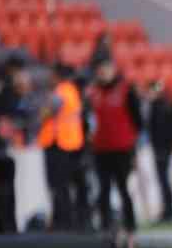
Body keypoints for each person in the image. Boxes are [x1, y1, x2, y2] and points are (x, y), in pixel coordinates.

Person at [88, 58, 143, 233]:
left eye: (106, 69)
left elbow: (137, 121)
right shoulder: (93, 93)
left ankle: (130, 224)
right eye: (101, 69)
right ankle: (105, 225)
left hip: (122, 149)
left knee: (123, 188)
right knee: (103, 188)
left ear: (113, 70)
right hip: (101, 149)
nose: (103, 73)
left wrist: (133, 148)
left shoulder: (126, 91)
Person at [39, 64, 89, 230]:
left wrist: (40, 111)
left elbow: (47, 112)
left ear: (57, 75)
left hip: (58, 144)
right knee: (66, 186)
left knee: (58, 187)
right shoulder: (72, 91)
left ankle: (63, 222)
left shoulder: (60, 91)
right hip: (71, 144)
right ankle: (70, 221)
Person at [145, 79, 172, 224]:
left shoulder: (161, 107)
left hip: (163, 148)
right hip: (161, 148)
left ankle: (170, 209)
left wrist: (168, 146)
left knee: (165, 179)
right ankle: (168, 208)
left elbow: (167, 129)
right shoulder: (158, 106)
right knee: (164, 180)